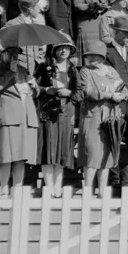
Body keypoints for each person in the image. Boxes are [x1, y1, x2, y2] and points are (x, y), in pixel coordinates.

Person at [0, 45, 40, 196]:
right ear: (2, 54)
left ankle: (17, 188)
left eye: (17, 54)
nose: (14, 56)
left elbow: (34, 94)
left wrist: (34, 85)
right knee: (6, 155)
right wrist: (11, 71)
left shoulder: (24, 70)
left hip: (25, 116)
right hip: (7, 116)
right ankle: (4, 188)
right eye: (11, 53)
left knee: (21, 156)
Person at [78, 39, 127, 194]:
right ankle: (87, 190)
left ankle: (102, 191)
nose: (91, 58)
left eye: (94, 55)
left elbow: (124, 88)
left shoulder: (111, 71)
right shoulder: (85, 71)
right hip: (93, 117)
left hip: (110, 118)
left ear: (102, 56)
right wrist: (109, 94)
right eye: (89, 55)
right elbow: (88, 92)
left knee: (107, 155)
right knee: (92, 154)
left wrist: (121, 95)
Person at [36, 42, 80, 198]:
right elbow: (35, 88)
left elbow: (79, 93)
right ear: (54, 50)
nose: (63, 50)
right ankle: (48, 186)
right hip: (49, 112)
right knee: (49, 148)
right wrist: (48, 90)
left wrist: (69, 93)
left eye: (67, 48)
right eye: (60, 48)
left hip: (67, 112)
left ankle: (57, 186)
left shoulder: (73, 70)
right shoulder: (44, 67)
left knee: (62, 150)